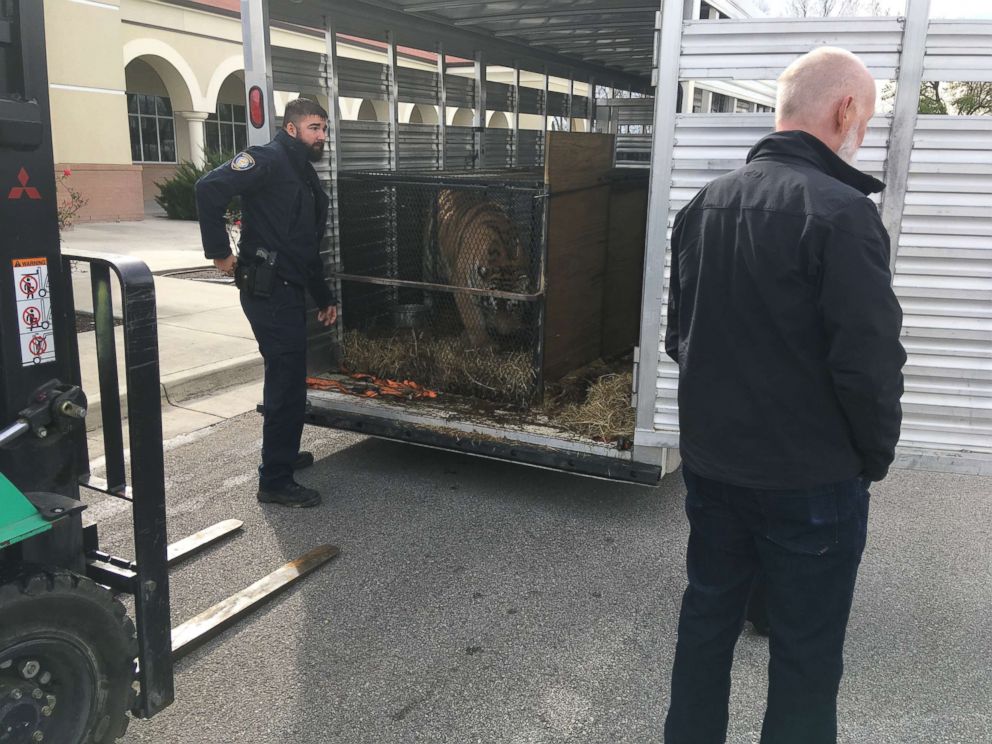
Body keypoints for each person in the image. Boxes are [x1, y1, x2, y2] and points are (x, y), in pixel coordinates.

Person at [662, 47, 906, 743]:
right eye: (868, 114)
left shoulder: (704, 205)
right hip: (811, 482)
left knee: (707, 624)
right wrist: (871, 458)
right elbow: (868, 365)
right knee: (804, 653)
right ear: (845, 110)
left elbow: (683, 339)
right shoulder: (842, 214)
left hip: (715, 471)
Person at [196, 98, 337, 508]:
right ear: (291, 129)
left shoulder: (302, 172)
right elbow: (208, 189)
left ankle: (284, 453)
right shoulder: (267, 159)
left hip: (290, 288)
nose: (321, 136)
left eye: (324, 129)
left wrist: (323, 296)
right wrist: (219, 252)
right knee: (286, 381)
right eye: (314, 128)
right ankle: (275, 480)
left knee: (291, 378)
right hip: (267, 290)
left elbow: (305, 243)